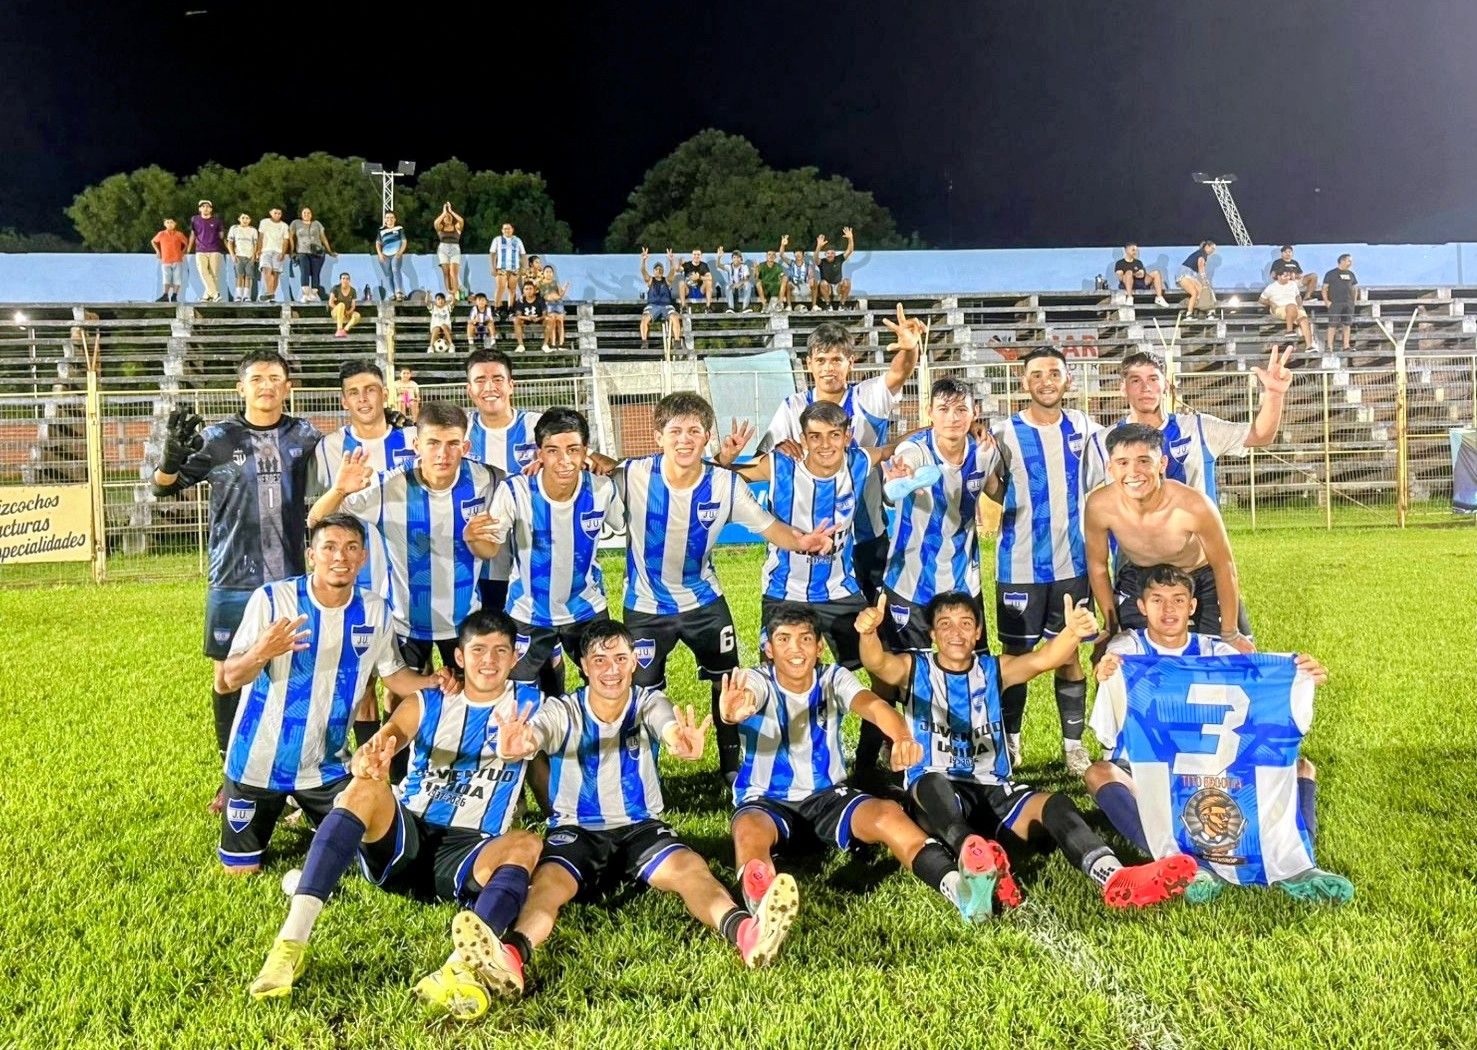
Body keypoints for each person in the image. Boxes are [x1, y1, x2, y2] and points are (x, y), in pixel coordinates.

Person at [467, 621, 800, 996]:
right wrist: (521, 742)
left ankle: (747, 932)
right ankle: (510, 955)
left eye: (620, 658)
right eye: (600, 660)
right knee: (546, 887)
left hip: (640, 826)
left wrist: (679, 741)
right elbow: (537, 733)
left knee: (691, 869)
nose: (611, 669)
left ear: (633, 664)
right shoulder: (564, 710)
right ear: (583, 666)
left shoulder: (648, 702)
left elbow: (667, 725)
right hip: (578, 830)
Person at [247, 609, 547, 1018]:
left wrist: (529, 746)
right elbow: (392, 735)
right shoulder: (430, 700)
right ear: (458, 657)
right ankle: (290, 945)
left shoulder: (533, 706)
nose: (489, 661)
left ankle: (460, 968)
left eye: (500, 651)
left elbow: (555, 740)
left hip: (471, 853)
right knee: (365, 789)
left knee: (528, 842)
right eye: (478, 650)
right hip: (405, 839)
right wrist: (374, 755)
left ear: (515, 658)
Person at [857, 589, 1198, 914]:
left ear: (977, 632)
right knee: (932, 783)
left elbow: (1044, 658)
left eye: (965, 623)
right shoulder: (914, 669)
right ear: (932, 634)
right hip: (939, 797)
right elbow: (876, 662)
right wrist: (869, 633)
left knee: (1056, 804)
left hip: (993, 788)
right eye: (945, 624)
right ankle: (974, 860)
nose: (956, 632)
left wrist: (1071, 632)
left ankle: (1113, 875)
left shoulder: (994, 669)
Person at [1083, 564, 1351, 905]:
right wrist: (1104, 672)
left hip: (1214, 771)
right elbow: (1109, 677)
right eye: (1158, 600)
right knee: (1098, 773)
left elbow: (1258, 691)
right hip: (1149, 769)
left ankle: (1299, 865)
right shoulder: (1128, 648)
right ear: (1141, 606)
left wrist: (1299, 674)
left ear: (1192, 607)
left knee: (1301, 767)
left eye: (1178, 600)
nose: (1168, 610)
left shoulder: (1217, 651)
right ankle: (1176, 862)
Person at [721, 603, 1005, 925]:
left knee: (888, 814)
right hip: (766, 801)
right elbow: (747, 697)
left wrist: (901, 736)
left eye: (804, 639)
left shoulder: (833, 677)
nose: (795, 649)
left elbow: (873, 705)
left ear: (818, 647)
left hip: (827, 797)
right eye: (783, 640)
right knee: (748, 831)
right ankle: (763, 911)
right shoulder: (754, 680)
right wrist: (735, 712)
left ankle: (960, 890)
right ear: (769, 649)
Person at [614, 391, 837, 781]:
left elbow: (769, 526)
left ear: (707, 438)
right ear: (658, 437)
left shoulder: (725, 484)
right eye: (676, 431)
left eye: (695, 431)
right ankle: (640, 774)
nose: (685, 439)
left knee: (728, 684)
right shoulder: (631, 475)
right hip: (645, 606)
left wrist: (801, 541)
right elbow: (593, 472)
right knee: (639, 694)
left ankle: (733, 768)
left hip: (705, 602)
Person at [217, 514, 443, 874]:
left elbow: (395, 677)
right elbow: (225, 681)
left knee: (370, 858)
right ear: (312, 555)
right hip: (257, 763)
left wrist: (436, 682)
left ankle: (314, 815)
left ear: (363, 558)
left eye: (351, 548)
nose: (341, 556)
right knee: (241, 870)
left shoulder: (374, 609)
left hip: (326, 767)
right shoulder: (273, 600)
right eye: (330, 547)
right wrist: (262, 651)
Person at [150, 349, 322, 813]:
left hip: (289, 579)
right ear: (240, 388)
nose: (267, 386)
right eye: (257, 378)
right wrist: (169, 459)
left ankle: (288, 776)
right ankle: (232, 780)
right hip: (230, 577)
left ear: (288, 387)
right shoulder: (217, 437)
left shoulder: (305, 436)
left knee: (288, 676)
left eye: (276, 378)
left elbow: (346, 468)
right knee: (227, 678)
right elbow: (162, 487)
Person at [308, 401, 501, 677]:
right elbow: (316, 521)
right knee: (402, 700)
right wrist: (338, 491)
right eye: (432, 443)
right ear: (416, 445)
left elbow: (525, 488)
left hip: (465, 619)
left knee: (463, 698)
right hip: (404, 621)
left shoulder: (486, 478)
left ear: (466, 447)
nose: (442, 454)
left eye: (453, 444)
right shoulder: (389, 487)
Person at [717, 400, 894, 675]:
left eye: (834, 435)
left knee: (880, 667)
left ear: (847, 437)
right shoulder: (780, 464)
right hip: (784, 590)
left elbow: (889, 450)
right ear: (803, 439)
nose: (825, 444)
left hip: (839, 589)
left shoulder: (858, 461)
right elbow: (717, 477)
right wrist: (724, 458)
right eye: (815, 436)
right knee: (776, 674)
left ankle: (871, 720)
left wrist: (944, 430)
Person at [989, 347, 1102, 774]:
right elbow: (992, 485)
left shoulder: (1086, 427)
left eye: (1054, 372)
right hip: (1019, 566)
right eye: (1037, 374)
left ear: (1067, 379)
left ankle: (1073, 745)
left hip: (1072, 564)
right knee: (1015, 658)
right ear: (1024, 382)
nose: (1046, 380)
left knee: (1069, 654)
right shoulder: (1005, 433)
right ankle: (1011, 743)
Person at [472, 407, 623, 696]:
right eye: (552, 451)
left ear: (585, 452)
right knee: (517, 698)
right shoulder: (515, 491)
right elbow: (489, 547)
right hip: (528, 612)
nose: (564, 460)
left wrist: (610, 466)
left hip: (586, 609)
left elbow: (624, 517)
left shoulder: (603, 489)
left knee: (609, 686)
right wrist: (474, 539)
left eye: (573, 450)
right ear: (539, 453)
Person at [1084, 424, 1253, 648]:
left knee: (1232, 656)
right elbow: (1097, 566)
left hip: (1199, 578)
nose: (1133, 472)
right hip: (1141, 577)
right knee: (1117, 656)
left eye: (1144, 461)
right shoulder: (1099, 506)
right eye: (1123, 463)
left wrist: (1230, 632)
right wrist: (1110, 625)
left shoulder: (1194, 505)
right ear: (1109, 468)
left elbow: (1224, 566)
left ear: (1162, 464)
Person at [1084, 347, 1294, 507]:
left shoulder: (1198, 428)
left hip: (1195, 557)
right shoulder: (1103, 440)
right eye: (1135, 380)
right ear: (1123, 388)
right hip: (1132, 559)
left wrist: (1274, 394)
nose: (1145, 387)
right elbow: (1074, 492)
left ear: (1166, 385)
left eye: (1153, 379)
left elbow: (1260, 436)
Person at [464, 348, 542, 618]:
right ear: (469, 389)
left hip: (535, 552)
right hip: (482, 557)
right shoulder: (458, 431)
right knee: (489, 632)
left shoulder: (538, 427)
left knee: (540, 642)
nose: (489, 387)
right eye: (480, 380)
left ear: (511, 385)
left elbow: (575, 452)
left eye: (498, 379)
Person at [1259, 269, 1317, 349]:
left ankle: (1309, 346)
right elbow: (1261, 300)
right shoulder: (1271, 287)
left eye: (1288, 276)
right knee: (1291, 306)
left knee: (1304, 320)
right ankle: (1289, 331)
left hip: (1294, 308)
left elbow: (1297, 296)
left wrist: (1300, 307)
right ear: (1279, 276)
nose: (1287, 278)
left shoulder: (1293, 284)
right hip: (1279, 308)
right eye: (1285, 276)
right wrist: (1271, 303)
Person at [288, 207, 334, 303]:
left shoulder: (317, 223)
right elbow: (291, 237)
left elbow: (323, 237)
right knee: (304, 271)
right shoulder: (296, 223)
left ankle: (314, 294)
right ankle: (305, 294)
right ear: (301, 214)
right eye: (304, 213)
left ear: (311, 214)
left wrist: (329, 251)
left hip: (316, 252)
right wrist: (292, 250)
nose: (306, 214)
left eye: (309, 213)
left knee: (315, 273)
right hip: (302, 251)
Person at [639, 248, 682, 348]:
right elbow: (643, 271)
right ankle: (644, 341)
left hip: (666, 305)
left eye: (660, 269)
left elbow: (672, 271)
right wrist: (644, 260)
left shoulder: (667, 281)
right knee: (644, 319)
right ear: (654, 271)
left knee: (675, 317)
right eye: (657, 269)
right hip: (653, 306)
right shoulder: (650, 280)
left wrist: (671, 260)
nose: (659, 271)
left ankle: (676, 341)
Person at [187, 199, 227, 303]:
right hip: (200, 250)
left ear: (211, 209)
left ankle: (206, 296)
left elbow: (221, 235)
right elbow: (193, 234)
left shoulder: (217, 221)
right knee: (203, 272)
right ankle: (215, 294)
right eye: (203, 207)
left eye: (208, 207)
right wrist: (188, 249)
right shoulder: (195, 219)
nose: (205, 208)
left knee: (214, 274)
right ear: (199, 208)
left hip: (214, 250)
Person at [1321, 253, 1359, 352]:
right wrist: (1326, 301)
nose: (1350, 263)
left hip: (1348, 303)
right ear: (1342, 261)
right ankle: (1329, 346)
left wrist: (1353, 301)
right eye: (1348, 260)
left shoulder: (1351, 274)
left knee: (1347, 324)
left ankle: (1346, 346)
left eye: (1351, 261)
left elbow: (1355, 288)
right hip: (1335, 303)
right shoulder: (1331, 273)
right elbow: (1324, 288)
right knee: (1332, 324)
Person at [489, 222, 526, 319]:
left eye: (508, 228)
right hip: (502, 268)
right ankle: (497, 308)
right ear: (502, 230)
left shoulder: (517, 240)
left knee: (512, 289)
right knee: (500, 288)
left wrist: (523, 269)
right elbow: (492, 253)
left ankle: (510, 308)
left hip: (514, 269)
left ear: (512, 229)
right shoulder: (497, 240)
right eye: (504, 228)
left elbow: (523, 254)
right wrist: (493, 268)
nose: (507, 230)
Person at [814, 227, 855, 310]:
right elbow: (815, 257)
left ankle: (842, 305)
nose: (830, 254)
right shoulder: (822, 262)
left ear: (835, 254)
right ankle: (828, 304)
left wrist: (850, 238)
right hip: (827, 287)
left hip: (838, 286)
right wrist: (818, 246)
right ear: (825, 254)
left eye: (832, 253)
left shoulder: (839, 259)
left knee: (847, 281)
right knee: (822, 283)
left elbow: (850, 250)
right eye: (828, 253)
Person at [150, 217, 188, 303]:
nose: (169, 224)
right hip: (166, 259)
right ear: (164, 224)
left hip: (177, 259)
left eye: (171, 222)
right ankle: (165, 295)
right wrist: (157, 251)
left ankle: (174, 295)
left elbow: (186, 243)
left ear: (175, 224)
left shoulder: (179, 234)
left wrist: (182, 252)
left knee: (177, 278)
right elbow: (153, 241)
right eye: (167, 222)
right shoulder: (161, 234)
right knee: (166, 278)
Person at [257, 207, 291, 303]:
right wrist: (258, 250)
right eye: (275, 213)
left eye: (279, 213)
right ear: (271, 213)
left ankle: (271, 295)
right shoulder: (264, 222)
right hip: (266, 250)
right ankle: (269, 292)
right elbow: (261, 237)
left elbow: (285, 240)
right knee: (267, 270)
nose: (277, 215)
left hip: (278, 251)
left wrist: (283, 253)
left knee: (275, 273)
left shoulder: (284, 225)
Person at [1177, 240, 1217, 319]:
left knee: (1201, 292)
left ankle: (1209, 311)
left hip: (1190, 275)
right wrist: (1204, 279)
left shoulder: (1202, 253)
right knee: (1194, 292)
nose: (1213, 251)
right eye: (1212, 248)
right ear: (1207, 247)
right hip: (1184, 275)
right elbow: (1200, 266)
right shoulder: (1203, 253)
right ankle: (1189, 314)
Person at [374, 211, 408, 301]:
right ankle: (391, 293)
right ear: (385, 219)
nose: (390, 219)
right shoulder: (381, 230)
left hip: (396, 254)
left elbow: (404, 241)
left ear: (395, 219)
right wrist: (380, 254)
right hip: (385, 255)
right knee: (388, 274)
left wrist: (400, 252)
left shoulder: (399, 228)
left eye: (391, 217)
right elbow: (377, 243)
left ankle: (398, 292)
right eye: (388, 218)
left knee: (395, 270)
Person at [434, 202, 465, 300]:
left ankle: (455, 292)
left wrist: (451, 211)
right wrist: (444, 212)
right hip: (443, 249)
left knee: (453, 272)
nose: (447, 218)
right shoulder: (441, 228)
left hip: (455, 249)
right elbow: (436, 223)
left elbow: (461, 220)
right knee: (446, 272)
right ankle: (449, 293)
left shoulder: (457, 227)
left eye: (449, 217)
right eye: (445, 217)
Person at [227, 212, 260, 303]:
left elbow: (256, 244)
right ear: (239, 219)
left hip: (249, 256)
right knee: (239, 276)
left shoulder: (253, 230)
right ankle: (238, 295)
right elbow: (230, 243)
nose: (245, 220)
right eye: (243, 218)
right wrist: (233, 255)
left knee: (248, 276)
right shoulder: (234, 229)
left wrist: (254, 256)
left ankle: (246, 296)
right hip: (239, 256)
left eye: (247, 218)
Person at [537, 263, 570, 351]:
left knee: (560, 322)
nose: (549, 273)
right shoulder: (540, 283)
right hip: (548, 304)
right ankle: (553, 344)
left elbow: (560, 294)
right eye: (547, 271)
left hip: (558, 303)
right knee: (552, 323)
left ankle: (561, 344)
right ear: (543, 273)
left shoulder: (555, 282)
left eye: (550, 272)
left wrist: (565, 288)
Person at [511, 280, 546, 353]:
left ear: (534, 290)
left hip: (538, 319)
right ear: (523, 291)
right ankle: (521, 345)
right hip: (526, 319)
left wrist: (539, 318)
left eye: (530, 288)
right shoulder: (520, 300)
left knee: (549, 319)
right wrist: (528, 318)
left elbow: (545, 314)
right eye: (526, 289)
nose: (528, 291)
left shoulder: (540, 299)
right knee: (516, 320)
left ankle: (545, 345)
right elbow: (518, 315)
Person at [780, 235, 813, 310]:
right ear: (794, 254)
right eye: (796, 253)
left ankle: (814, 306)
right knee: (788, 283)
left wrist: (810, 279)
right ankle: (789, 306)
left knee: (813, 282)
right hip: (794, 288)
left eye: (800, 253)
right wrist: (782, 245)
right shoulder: (791, 263)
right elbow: (782, 255)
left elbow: (811, 276)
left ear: (803, 254)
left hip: (804, 287)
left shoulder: (808, 265)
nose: (798, 255)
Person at [716, 247, 754, 312]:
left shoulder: (744, 267)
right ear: (732, 259)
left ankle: (745, 308)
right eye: (734, 257)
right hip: (732, 289)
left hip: (741, 289)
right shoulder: (729, 266)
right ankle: (731, 308)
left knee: (748, 284)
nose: (736, 259)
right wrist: (719, 257)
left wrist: (738, 284)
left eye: (738, 257)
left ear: (741, 259)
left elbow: (746, 279)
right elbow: (719, 265)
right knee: (728, 286)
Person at [328, 272, 360, 338]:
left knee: (357, 315)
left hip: (347, 312)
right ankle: (339, 329)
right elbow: (330, 303)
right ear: (340, 280)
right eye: (343, 278)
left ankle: (344, 330)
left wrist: (348, 312)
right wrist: (341, 310)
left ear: (349, 280)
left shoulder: (353, 290)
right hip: (336, 312)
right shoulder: (335, 288)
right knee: (341, 305)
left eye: (347, 279)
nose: (345, 280)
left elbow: (353, 306)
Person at [755, 247, 785, 312]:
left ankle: (779, 304)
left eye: (773, 255)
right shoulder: (761, 265)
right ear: (766, 256)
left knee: (785, 278)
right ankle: (764, 305)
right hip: (764, 288)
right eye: (769, 254)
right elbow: (757, 279)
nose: (771, 256)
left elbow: (782, 276)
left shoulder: (778, 266)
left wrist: (782, 278)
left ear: (775, 257)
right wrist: (756, 270)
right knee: (758, 283)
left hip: (775, 288)